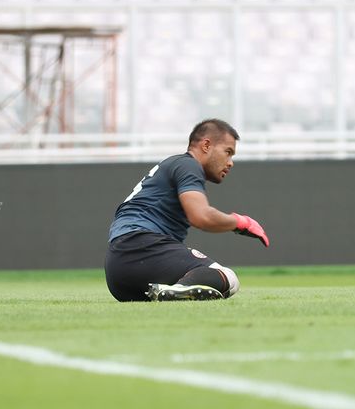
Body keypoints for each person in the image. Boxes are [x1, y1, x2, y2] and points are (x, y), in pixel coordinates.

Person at [104, 118, 269, 302]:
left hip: (117, 271)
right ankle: (180, 290)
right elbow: (201, 217)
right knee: (228, 278)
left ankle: (171, 291)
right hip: (142, 246)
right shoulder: (188, 165)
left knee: (175, 288)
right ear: (206, 145)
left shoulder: (174, 165)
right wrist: (240, 222)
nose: (230, 162)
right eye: (228, 152)